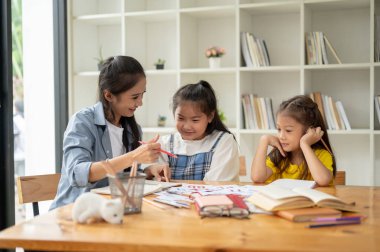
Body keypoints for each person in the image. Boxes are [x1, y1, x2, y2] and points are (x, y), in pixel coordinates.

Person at [50, 56, 165, 209]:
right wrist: (133, 157)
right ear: (109, 95)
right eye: (135, 97)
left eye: (142, 94)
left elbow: (122, 175)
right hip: (73, 214)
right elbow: (77, 174)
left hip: (110, 212)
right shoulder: (82, 121)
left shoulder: (132, 128)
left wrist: (148, 170)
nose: (140, 103)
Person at [144, 80, 239, 181]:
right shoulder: (164, 143)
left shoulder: (223, 141)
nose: (187, 126)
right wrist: (150, 170)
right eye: (181, 118)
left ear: (210, 116)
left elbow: (217, 184)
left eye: (195, 120)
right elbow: (156, 180)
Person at [250, 95, 336, 186]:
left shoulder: (321, 155)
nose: (281, 136)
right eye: (279, 129)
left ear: (308, 131)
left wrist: (304, 144)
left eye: (288, 130)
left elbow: (323, 180)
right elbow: (257, 177)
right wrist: (264, 140)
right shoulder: (278, 156)